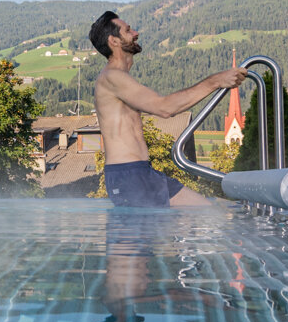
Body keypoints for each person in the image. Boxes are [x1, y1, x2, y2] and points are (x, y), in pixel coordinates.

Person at [89, 11, 246, 207]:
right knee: (208, 216)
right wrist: (216, 81)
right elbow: (165, 108)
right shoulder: (112, 78)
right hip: (130, 175)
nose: (136, 33)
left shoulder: (118, 78)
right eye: (128, 30)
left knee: (204, 215)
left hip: (138, 173)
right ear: (114, 41)